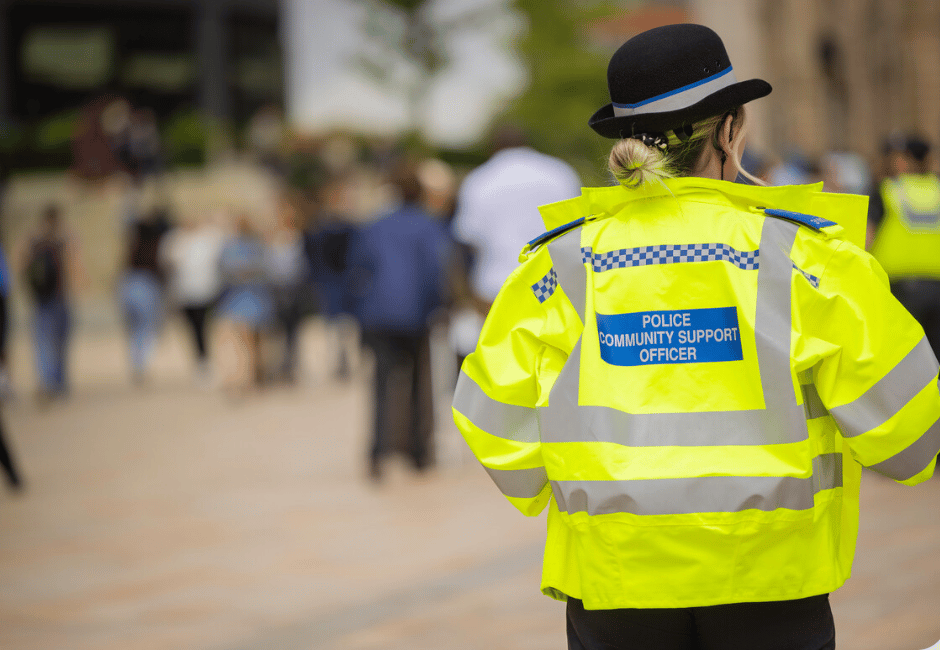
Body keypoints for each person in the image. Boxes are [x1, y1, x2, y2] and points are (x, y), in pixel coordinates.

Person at [452, 24, 940, 650]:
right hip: (771, 576)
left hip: (613, 577)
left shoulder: (559, 265)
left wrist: (567, 483)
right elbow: (911, 439)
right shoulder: (807, 257)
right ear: (729, 130)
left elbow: (490, 418)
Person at [348, 163, 452, 480]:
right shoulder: (428, 225)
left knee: (381, 384)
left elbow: (358, 269)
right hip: (416, 314)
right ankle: (419, 453)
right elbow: (435, 271)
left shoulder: (374, 226)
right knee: (419, 385)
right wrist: (439, 307)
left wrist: (359, 310)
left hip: (378, 314)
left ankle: (378, 452)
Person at [868, 136, 940, 355]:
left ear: (905, 160)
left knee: (904, 355)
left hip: (900, 287)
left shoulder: (888, 190)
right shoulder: (937, 190)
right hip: (937, 285)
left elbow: (867, 236)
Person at [21, 204, 80, 401]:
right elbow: (74, 264)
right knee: (60, 342)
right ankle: (57, 382)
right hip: (59, 296)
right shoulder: (64, 237)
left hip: (41, 298)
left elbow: (21, 263)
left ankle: (47, 381)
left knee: (42, 341)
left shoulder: (33, 238)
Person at [159, 214, 225, 383]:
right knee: (193, 328)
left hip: (206, 292)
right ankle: (201, 360)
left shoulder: (207, 239)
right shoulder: (175, 241)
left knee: (204, 326)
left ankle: (205, 359)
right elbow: (166, 262)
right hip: (185, 294)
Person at [217, 215, 274, 393]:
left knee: (254, 340)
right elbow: (223, 268)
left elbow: (265, 269)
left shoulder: (256, 247)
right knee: (245, 338)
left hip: (253, 296)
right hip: (240, 297)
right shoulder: (232, 246)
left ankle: (254, 374)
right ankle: (247, 376)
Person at [120, 206, 171, 383]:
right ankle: (142, 364)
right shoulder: (156, 241)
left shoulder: (134, 242)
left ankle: (137, 363)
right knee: (147, 328)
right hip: (147, 284)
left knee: (134, 328)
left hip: (128, 283)